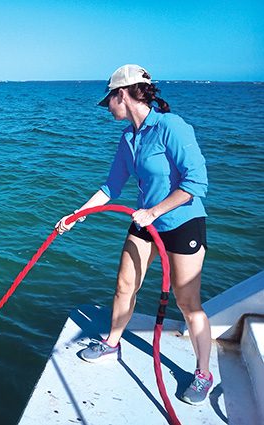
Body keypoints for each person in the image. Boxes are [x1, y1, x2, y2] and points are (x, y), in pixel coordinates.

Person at [56, 64, 213, 405]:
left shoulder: (172, 127)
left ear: (121, 95)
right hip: (145, 224)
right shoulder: (128, 138)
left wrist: (155, 211)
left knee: (188, 303)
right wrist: (76, 215)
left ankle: (203, 373)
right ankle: (112, 343)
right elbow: (111, 186)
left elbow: (196, 182)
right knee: (125, 284)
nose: (107, 108)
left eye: (108, 101)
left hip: (182, 224)